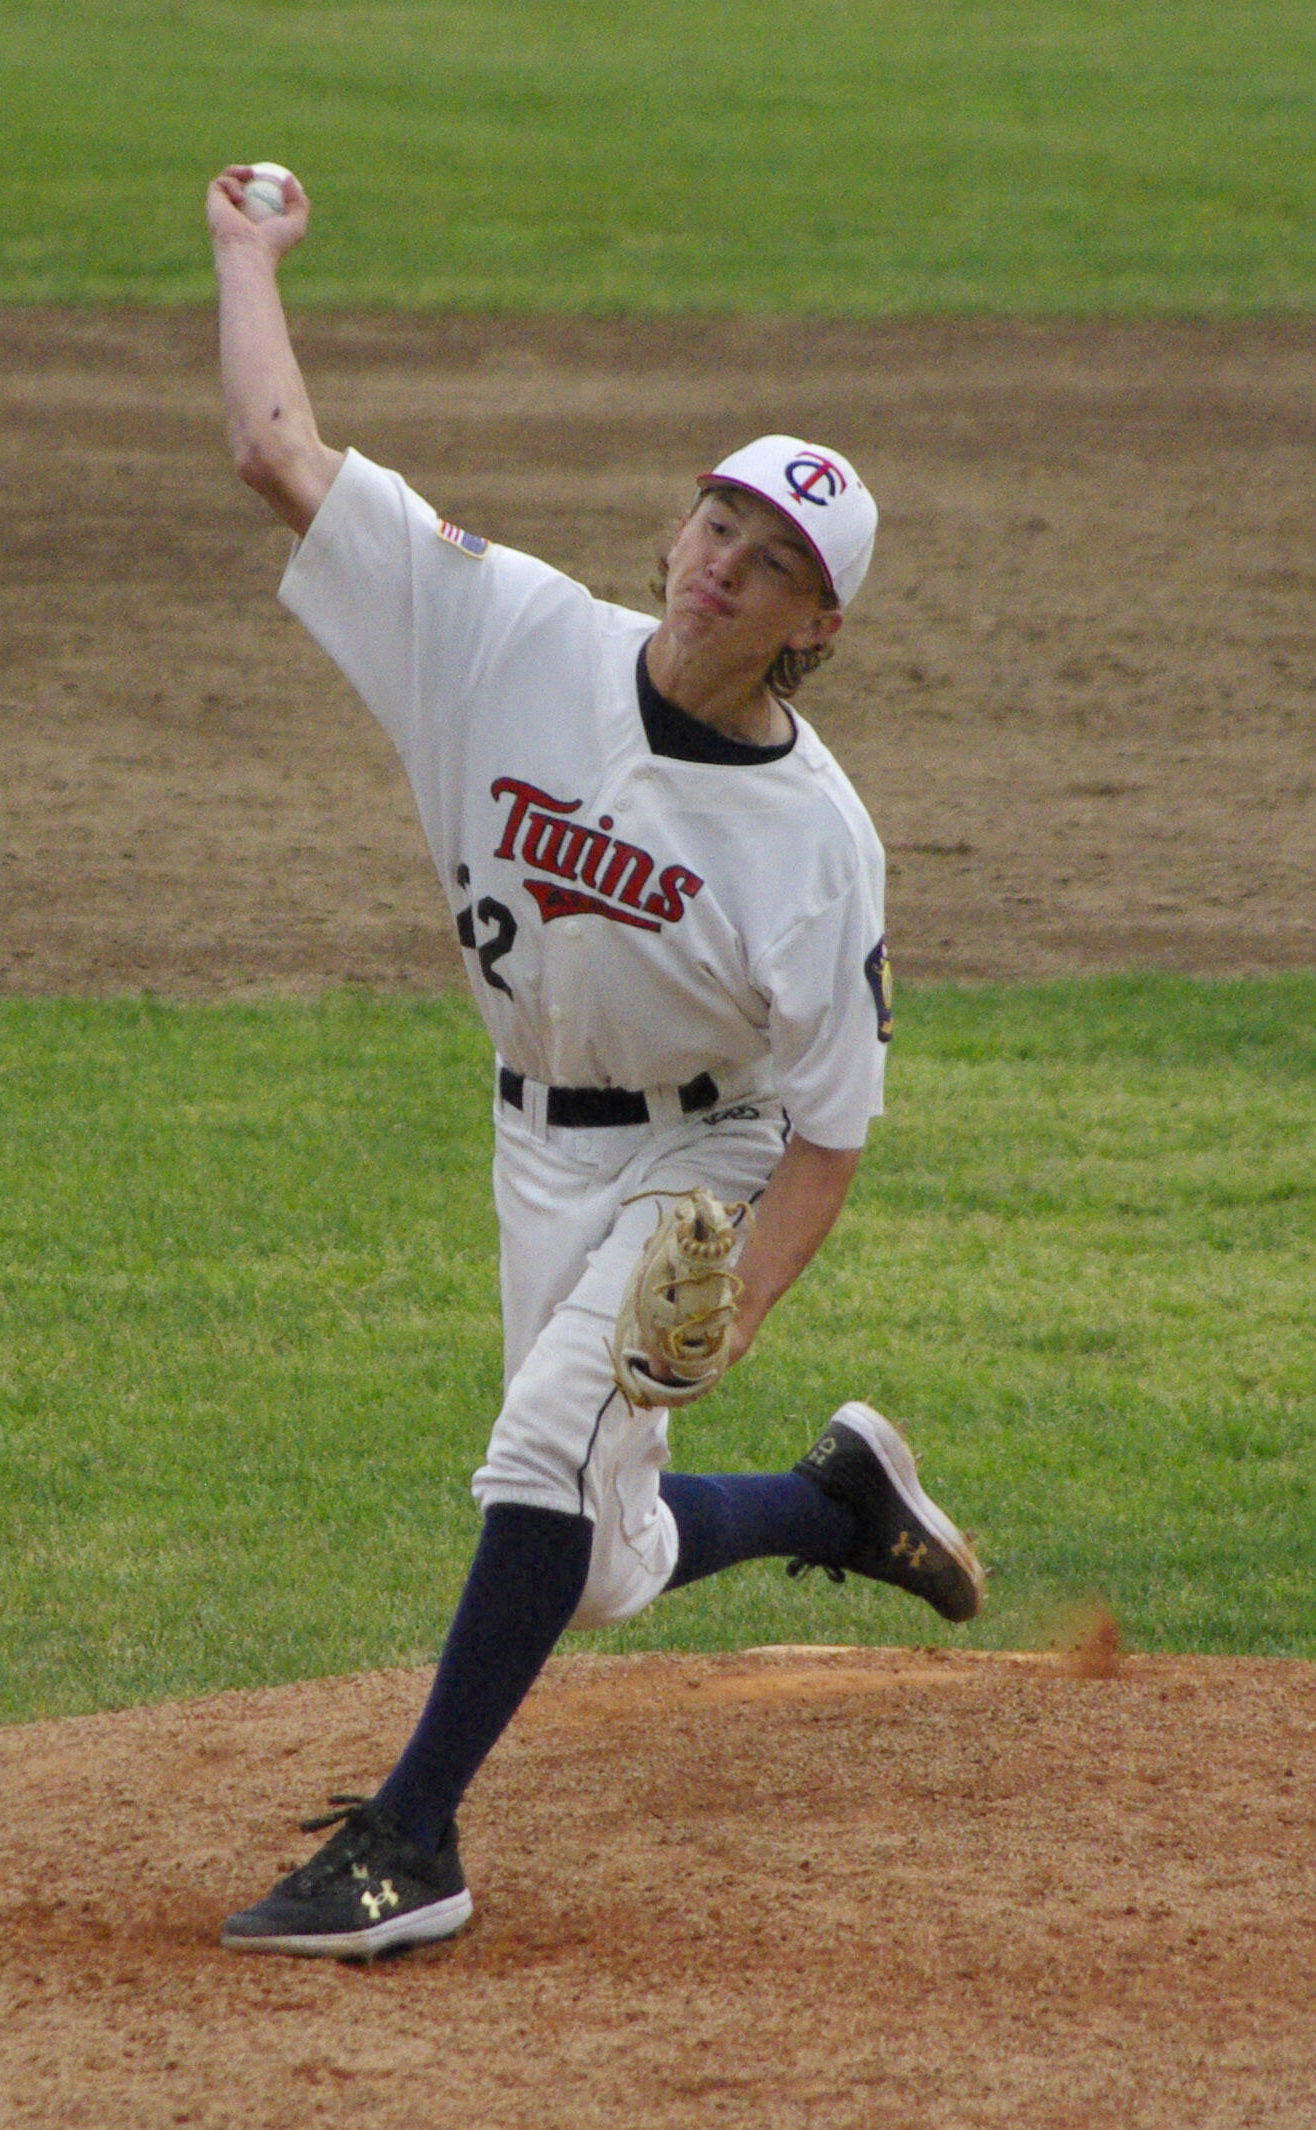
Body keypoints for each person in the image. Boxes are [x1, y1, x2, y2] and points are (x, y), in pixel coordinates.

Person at [207, 164, 985, 1962]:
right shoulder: (503, 630)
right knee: (606, 1553)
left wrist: (727, 1319)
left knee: (539, 1457)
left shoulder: (820, 844)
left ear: (819, 624)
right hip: (535, 1150)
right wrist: (248, 251)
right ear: (678, 533)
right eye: (717, 523)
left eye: (773, 558)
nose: (726, 563)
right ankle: (836, 1502)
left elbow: (832, 1136)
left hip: (703, 1165)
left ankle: (413, 1837)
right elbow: (277, 455)